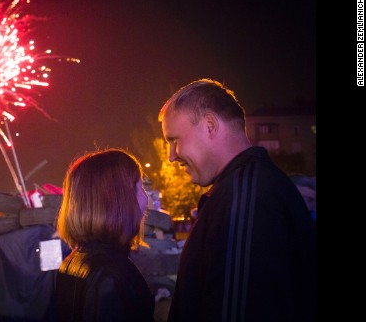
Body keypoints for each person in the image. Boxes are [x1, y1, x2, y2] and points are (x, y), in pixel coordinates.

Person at [158, 78, 316, 322]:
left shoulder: (246, 197)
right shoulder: (243, 189)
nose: (171, 157)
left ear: (210, 125)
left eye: (174, 140)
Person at [55, 148, 155, 321]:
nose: (147, 201)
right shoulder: (112, 274)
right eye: (140, 187)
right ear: (120, 198)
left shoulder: (71, 262)